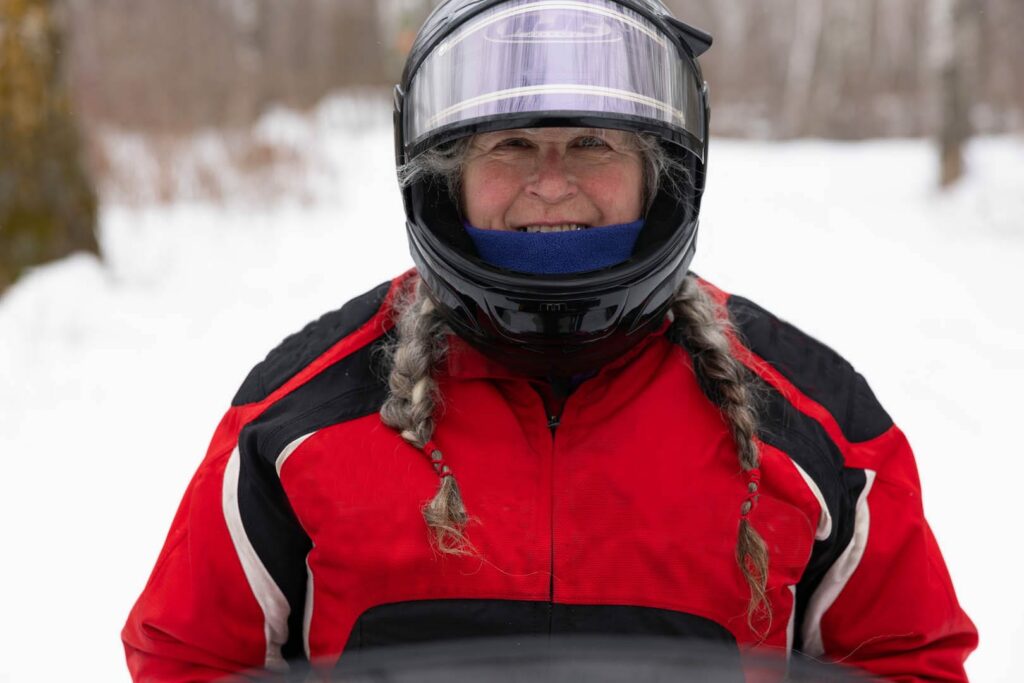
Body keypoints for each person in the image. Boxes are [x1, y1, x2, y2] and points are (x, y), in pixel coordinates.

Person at [122, 1, 977, 681]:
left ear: (661, 171)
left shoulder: (817, 426)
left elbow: (910, 659)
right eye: (512, 144)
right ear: (445, 176)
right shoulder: (298, 420)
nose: (552, 183)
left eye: (592, 143)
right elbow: (186, 657)